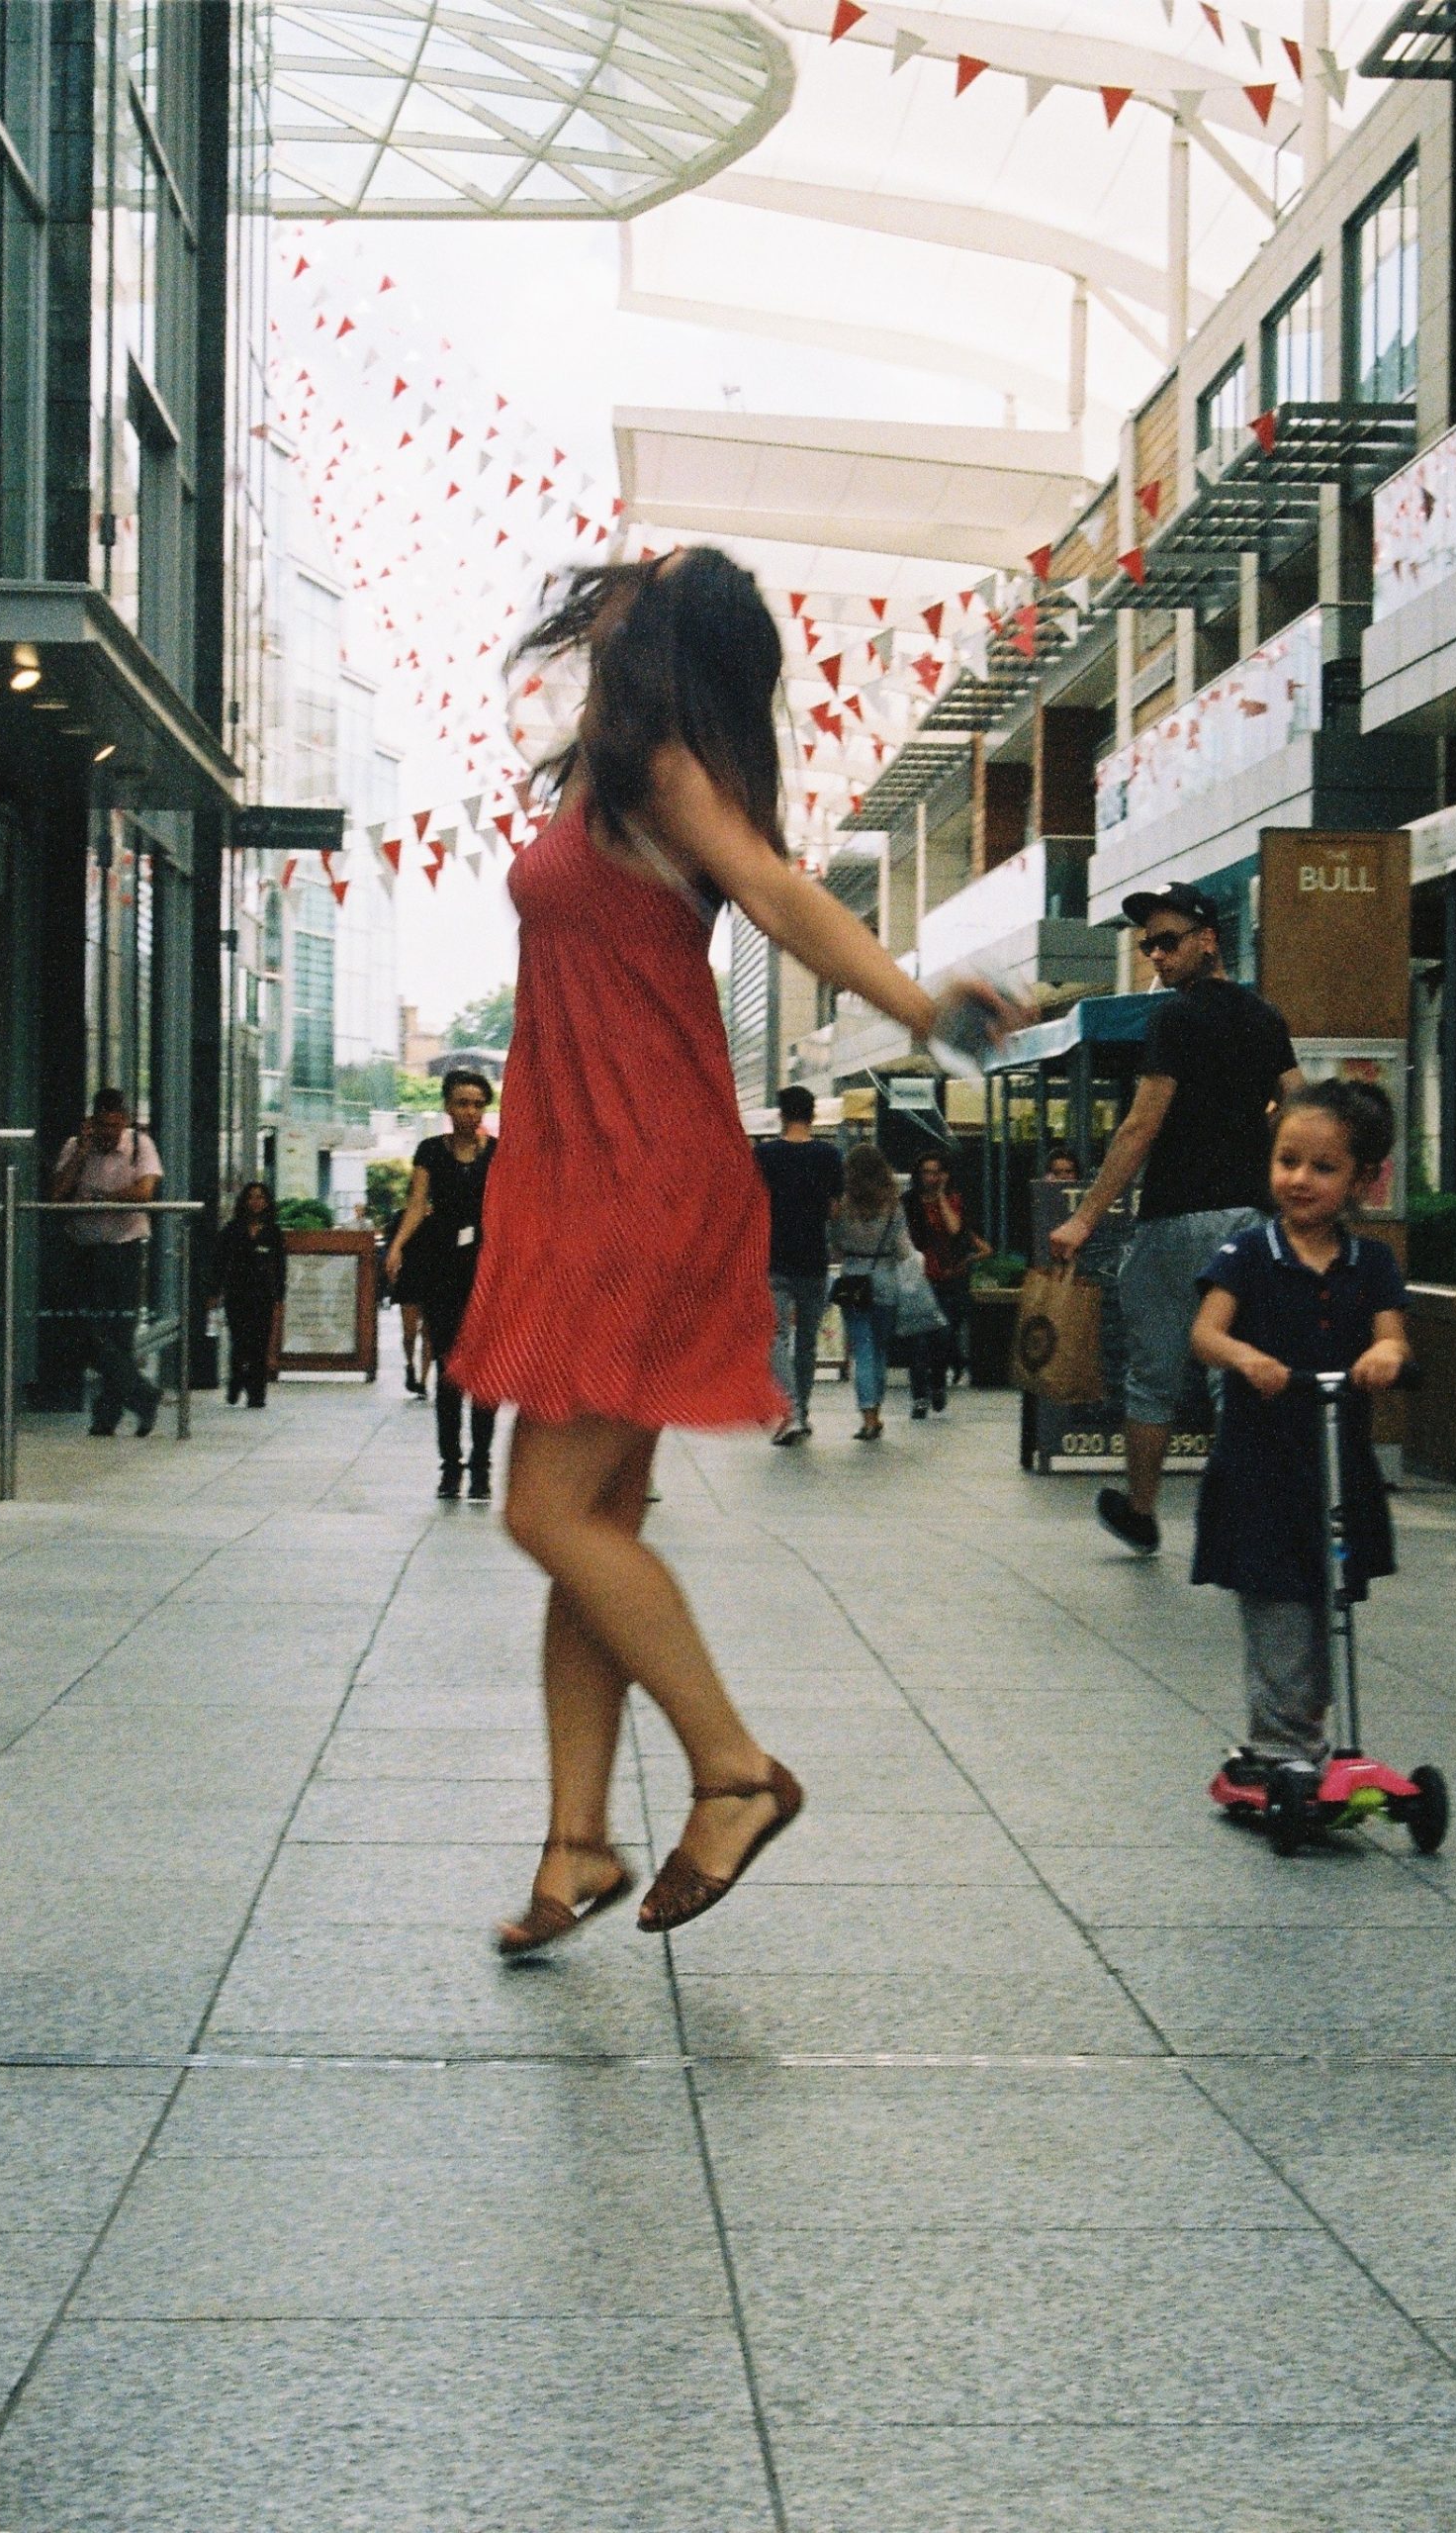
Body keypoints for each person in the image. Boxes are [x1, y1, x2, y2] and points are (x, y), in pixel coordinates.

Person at [443, 549, 1017, 1953]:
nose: (605, 605)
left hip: (638, 1172)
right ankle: (577, 1843)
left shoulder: (666, 769)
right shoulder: (606, 774)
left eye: (635, 596)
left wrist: (920, 1006)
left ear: (666, 640)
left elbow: (775, 892)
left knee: (545, 1513)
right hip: (590, 1164)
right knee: (595, 1522)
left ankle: (734, 1772)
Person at [1049, 882, 1302, 1555]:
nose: (1156, 956)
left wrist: (1084, 1219)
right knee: (1236, 1371)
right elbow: (1298, 1103)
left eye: (1167, 941)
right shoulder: (1266, 1017)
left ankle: (1141, 1511)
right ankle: (1255, 1515)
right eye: (1148, 946)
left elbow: (1141, 1127)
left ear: (1208, 939)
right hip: (1252, 1221)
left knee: (1154, 1375)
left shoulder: (1175, 1019)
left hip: (1177, 1220)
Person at [1190, 1080, 1410, 1782]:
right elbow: (1205, 1334)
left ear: (1361, 1180)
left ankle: (1307, 1737)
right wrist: (1245, 1358)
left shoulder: (1371, 1263)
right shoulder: (1247, 1254)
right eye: (1288, 1161)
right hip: (1262, 1468)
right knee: (1279, 1608)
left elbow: (1393, 1336)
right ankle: (1281, 1745)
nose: (1300, 1179)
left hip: (1336, 1466)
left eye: (1323, 1167)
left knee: (1328, 1603)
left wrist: (1384, 1354)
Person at [388, 1069, 498, 1501]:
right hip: (442, 1266)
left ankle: (481, 1467)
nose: (470, 1111)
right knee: (449, 1367)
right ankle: (451, 1467)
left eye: (477, 1104)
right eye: (461, 1103)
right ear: (448, 1107)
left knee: (485, 1373)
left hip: (486, 1267)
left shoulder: (500, 1152)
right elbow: (417, 1204)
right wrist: (397, 1246)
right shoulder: (431, 1150)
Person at [50, 1088, 162, 1438]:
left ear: (125, 1121)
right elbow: (57, 1192)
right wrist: (82, 1153)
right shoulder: (76, 1147)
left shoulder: (140, 1146)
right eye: (103, 1125)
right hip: (84, 1249)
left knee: (118, 1334)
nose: (109, 1133)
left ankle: (106, 1416)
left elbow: (145, 1192)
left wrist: (103, 1198)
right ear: (92, 1122)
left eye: (116, 1125)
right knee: (83, 1332)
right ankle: (142, 1395)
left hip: (123, 1250)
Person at [757, 1083, 843, 1445]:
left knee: (775, 1336)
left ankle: (790, 1412)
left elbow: (754, 1205)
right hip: (813, 1259)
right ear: (813, 1115)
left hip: (774, 1257)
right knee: (807, 1342)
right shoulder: (829, 1155)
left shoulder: (764, 1155)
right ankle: (801, 1412)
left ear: (781, 1115)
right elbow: (835, 1210)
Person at [834, 1143, 916, 1442]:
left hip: (853, 1277)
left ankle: (868, 1416)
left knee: (863, 1349)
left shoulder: (843, 1203)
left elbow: (835, 1245)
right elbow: (903, 1248)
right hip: (885, 1278)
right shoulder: (893, 1204)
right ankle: (876, 1413)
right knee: (880, 1350)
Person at [902, 1151, 988, 1416]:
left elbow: (955, 1229)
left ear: (944, 1175)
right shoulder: (908, 1202)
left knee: (943, 1336)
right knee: (917, 1340)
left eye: (936, 1172)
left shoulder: (952, 1200)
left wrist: (940, 1197)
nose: (931, 1177)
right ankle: (919, 1395)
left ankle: (938, 1382)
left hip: (948, 1277)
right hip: (918, 1278)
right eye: (926, 1172)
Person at [210, 1181, 286, 1408]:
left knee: (259, 1345)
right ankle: (237, 1380)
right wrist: (214, 1291)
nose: (256, 1202)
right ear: (244, 1201)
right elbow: (219, 1262)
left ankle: (257, 1394)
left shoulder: (273, 1232)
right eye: (251, 1197)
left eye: (260, 1197)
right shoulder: (232, 1230)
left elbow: (280, 1267)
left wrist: (279, 1296)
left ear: (267, 1202)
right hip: (236, 1294)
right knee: (240, 1342)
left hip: (263, 1295)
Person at [384, 1197, 432, 1398]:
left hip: (432, 1278)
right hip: (409, 1277)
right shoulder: (400, 1218)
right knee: (409, 1332)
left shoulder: (435, 1219)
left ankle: (423, 1381)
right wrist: (393, 1274)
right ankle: (410, 1365)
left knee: (428, 1332)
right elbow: (391, 1246)